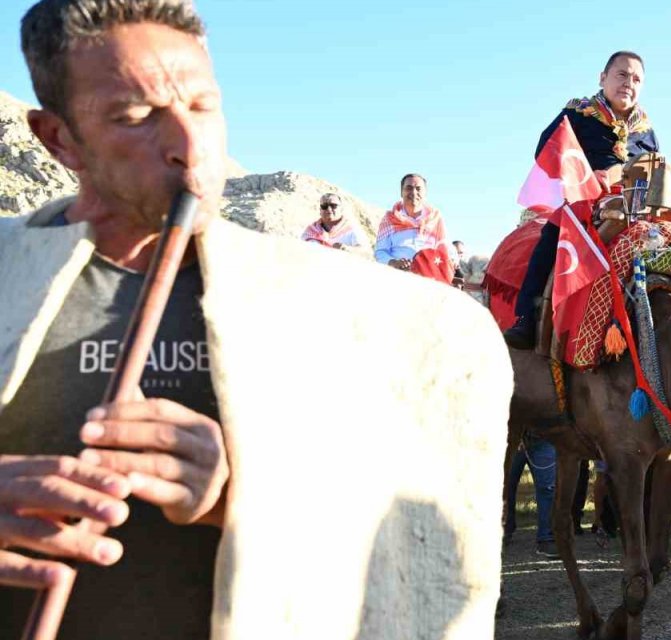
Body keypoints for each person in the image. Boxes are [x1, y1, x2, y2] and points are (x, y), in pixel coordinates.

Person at [0, 2, 507, 637]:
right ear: (57, 138)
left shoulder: (317, 304)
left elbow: (416, 523)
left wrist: (243, 490)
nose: (190, 147)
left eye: (204, 106)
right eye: (134, 117)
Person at [502, 51, 659, 349]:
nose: (629, 83)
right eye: (622, 75)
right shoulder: (578, 113)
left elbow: (654, 172)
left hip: (633, 211)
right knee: (551, 239)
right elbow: (545, 151)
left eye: (636, 79)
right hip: (583, 203)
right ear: (603, 78)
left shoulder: (646, 131)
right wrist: (584, 174)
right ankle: (527, 318)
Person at [374, 173, 457, 284]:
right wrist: (393, 262)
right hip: (397, 279)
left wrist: (453, 261)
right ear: (401, 192)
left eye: (418, 189)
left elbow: (447, 249)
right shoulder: (389, 219)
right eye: (409, 188)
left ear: (425, 193)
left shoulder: (435, 219)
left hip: (431, 281)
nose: (413, 192)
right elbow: (380, 252)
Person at [502, 436, 558, 558]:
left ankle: (547, 538)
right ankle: (502, 530)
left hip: (543, 436)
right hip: (509, 437)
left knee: (548, 487)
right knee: (503, 487)